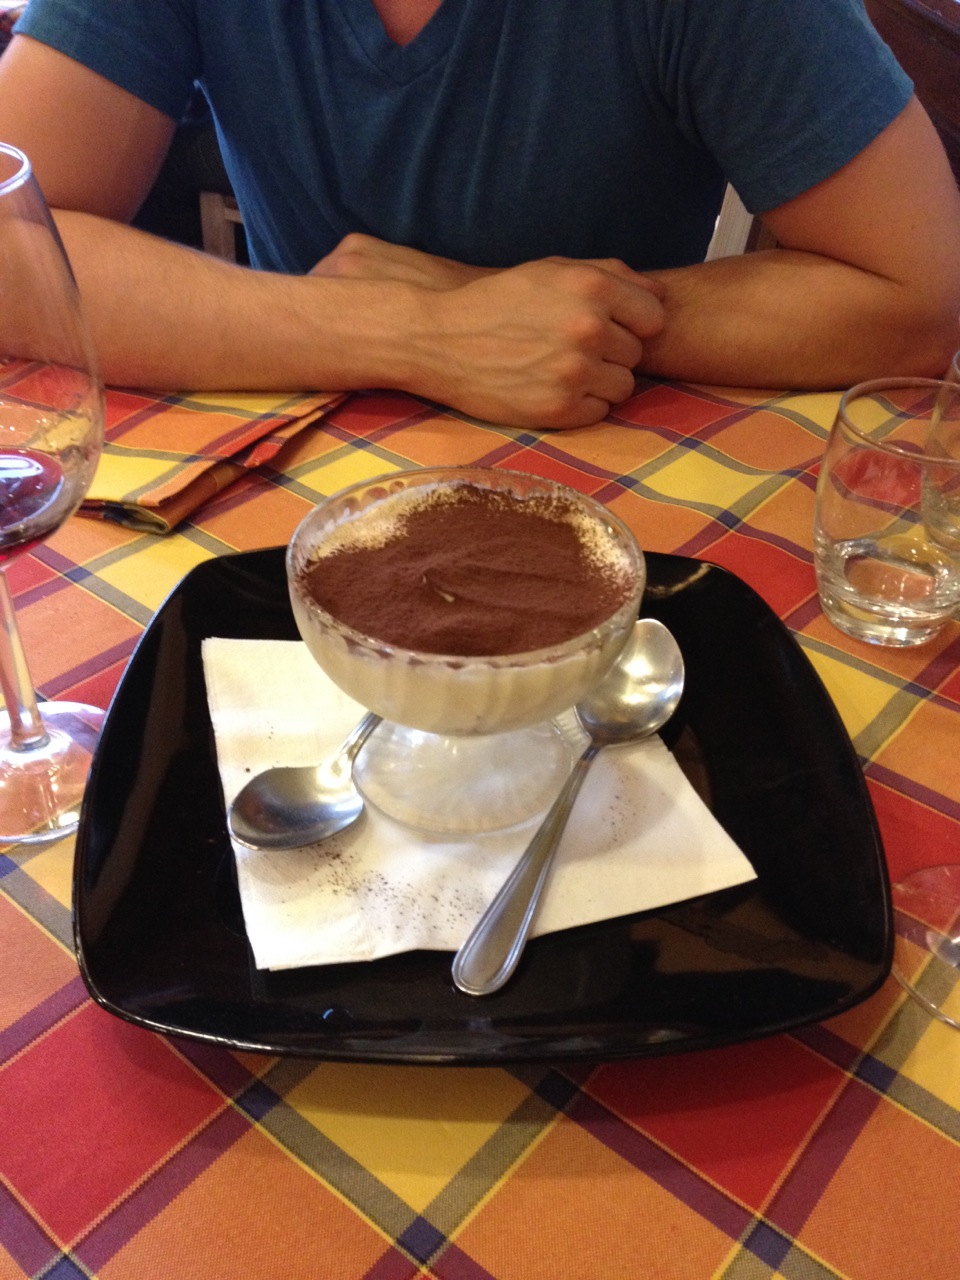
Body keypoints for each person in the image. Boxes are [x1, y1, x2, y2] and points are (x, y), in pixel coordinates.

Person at [0, 0, 958, 430]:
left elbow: (922, 299)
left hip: (611, 469)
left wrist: (545, 321)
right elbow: (12, 243)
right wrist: (422, 332)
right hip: (295, 463)